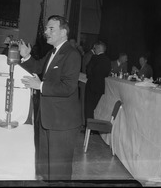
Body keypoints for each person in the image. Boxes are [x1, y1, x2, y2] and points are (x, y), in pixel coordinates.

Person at [19, 15, 82, 180]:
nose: (46, 32)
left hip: (62, 122)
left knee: (59, 171)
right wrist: (26, 56)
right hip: (48, 119)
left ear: (63, 32)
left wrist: (39, 86)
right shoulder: (52, 52)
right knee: (47, 168)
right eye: (46, 28)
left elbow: (68, 87)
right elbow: (37, 67)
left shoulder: (72, 54)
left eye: (50, 28)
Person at [84, 41, 111, 121]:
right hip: (100, 87)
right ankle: (93, 127)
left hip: (91, 85)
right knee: (94, 107)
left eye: (95, 48)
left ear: (99, 48)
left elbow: (88, 71)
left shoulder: (94, 58)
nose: (94, 50)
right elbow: (107, 73)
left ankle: (89, 129)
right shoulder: (107, 60)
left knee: (88, 108)